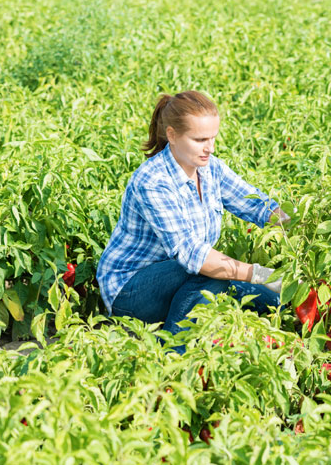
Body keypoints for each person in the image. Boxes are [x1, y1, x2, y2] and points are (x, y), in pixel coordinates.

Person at [96, 90, 287, 353]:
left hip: (184, 277)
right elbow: (194, 256)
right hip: (132, 290)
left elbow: (257, 204)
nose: (210, 148)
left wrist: (299, 223)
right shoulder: (153, 181)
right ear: (172, 135)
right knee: (213, 272)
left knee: (280, 300)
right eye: (200, 140)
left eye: (212, 138)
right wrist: (259, 274)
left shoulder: (211, 168)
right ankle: (172, 356)